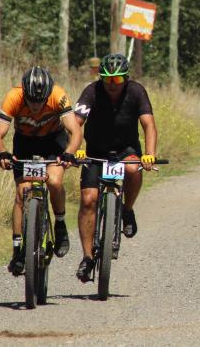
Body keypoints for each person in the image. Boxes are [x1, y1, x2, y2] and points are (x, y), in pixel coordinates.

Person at [72, 53, 158, 282]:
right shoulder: (92, 91)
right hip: (95, 152)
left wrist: (149, 155)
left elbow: (148, 125)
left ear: (126, 78)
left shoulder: (137, 91)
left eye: (117, 80)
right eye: (107, 79)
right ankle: (87, 257)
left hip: (125, 149)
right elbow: (76, 123)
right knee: (88, 199)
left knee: (132, 170)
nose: (111, 85)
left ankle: (127, 210)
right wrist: (75, 149)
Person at [0, 66, 82, 276]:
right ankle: (17, 251)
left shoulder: (58, 95)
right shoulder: (13, 97)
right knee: (22, 192)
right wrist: (3, 153)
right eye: (32, 101)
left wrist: (69, 153)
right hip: (25, 143)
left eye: (41, 102)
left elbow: (75, 131)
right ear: (25, 93)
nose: (36, 106)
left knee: (55, 182)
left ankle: (59, 225)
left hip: (53, 142)